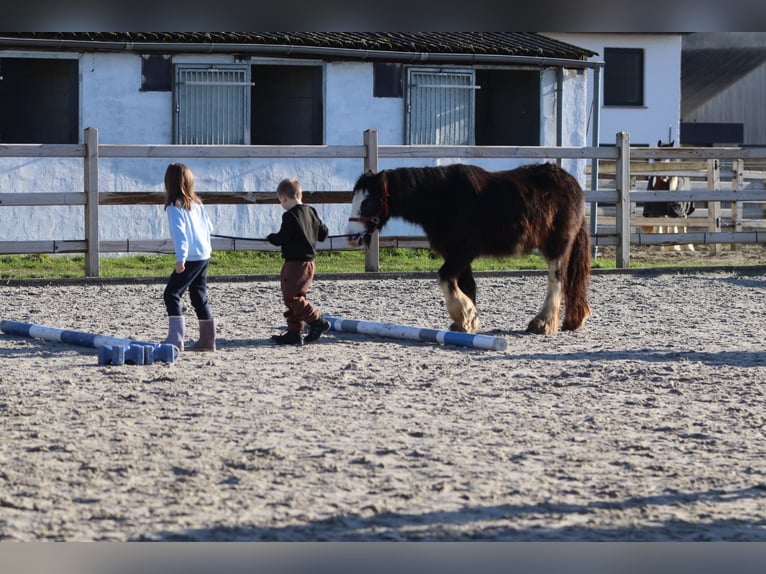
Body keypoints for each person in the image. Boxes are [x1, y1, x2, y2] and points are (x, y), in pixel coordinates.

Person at [267, 177, 330, 345]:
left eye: (280, 201)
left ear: (284, 198)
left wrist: (271, 238)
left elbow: (283, 237)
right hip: (310, 263)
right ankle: (294, 332)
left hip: (295, 263)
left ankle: (317, 321)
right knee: (297, 295)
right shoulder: (311, 211)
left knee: (291, 297)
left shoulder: (289, 216)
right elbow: (323, 234)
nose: (281, 204)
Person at [162, 162, 216, 352]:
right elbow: (210, 228)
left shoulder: (174, 207)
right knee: (199, 296)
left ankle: (176, 339)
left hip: (191, 257)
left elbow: (180, 234)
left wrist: (180, 259)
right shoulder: (197, 204)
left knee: (171, 294)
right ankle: (208, 340)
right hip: (204, 255)